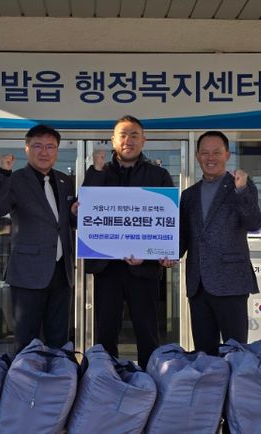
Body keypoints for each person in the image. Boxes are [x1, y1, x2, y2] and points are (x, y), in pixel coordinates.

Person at [82, 115, 174, 369]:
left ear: (144, 140)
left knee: (148, 332)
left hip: (144, 269)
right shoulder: (99, 172)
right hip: (107, 268)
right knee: (105, 332)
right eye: (122, 135)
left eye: (134, 135)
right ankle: (105, 381)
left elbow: (167, 220)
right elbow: (83, 213)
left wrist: (154, 253)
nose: (128, 141)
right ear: (113, 140)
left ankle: (151, 382)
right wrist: (96, 172)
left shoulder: (158, 175)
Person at [0, 124, 76, 353]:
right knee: (26, 338)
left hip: (61, 271)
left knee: (59, 337)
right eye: (38, 146)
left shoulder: (65, 181)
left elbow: (67, 222)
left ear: (57, 151)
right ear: (26, 148)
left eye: (50, 146)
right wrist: (4, 173)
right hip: (28, 272)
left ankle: (58, 374)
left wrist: (77, 213)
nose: (44, 152)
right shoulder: (16, 179)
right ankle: (25, 375)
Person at [179, 130, 261, 356]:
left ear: (227, 154)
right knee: (204, 354)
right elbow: (184, 236)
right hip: (198, 284)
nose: (210, 157)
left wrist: (241, 191)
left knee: (235, 352)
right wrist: (166, 254)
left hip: (231, 281)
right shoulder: (189, 195)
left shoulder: (240, 186)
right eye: (205, 153)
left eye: (216, 152)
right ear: (197, 156)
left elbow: (254, 223)